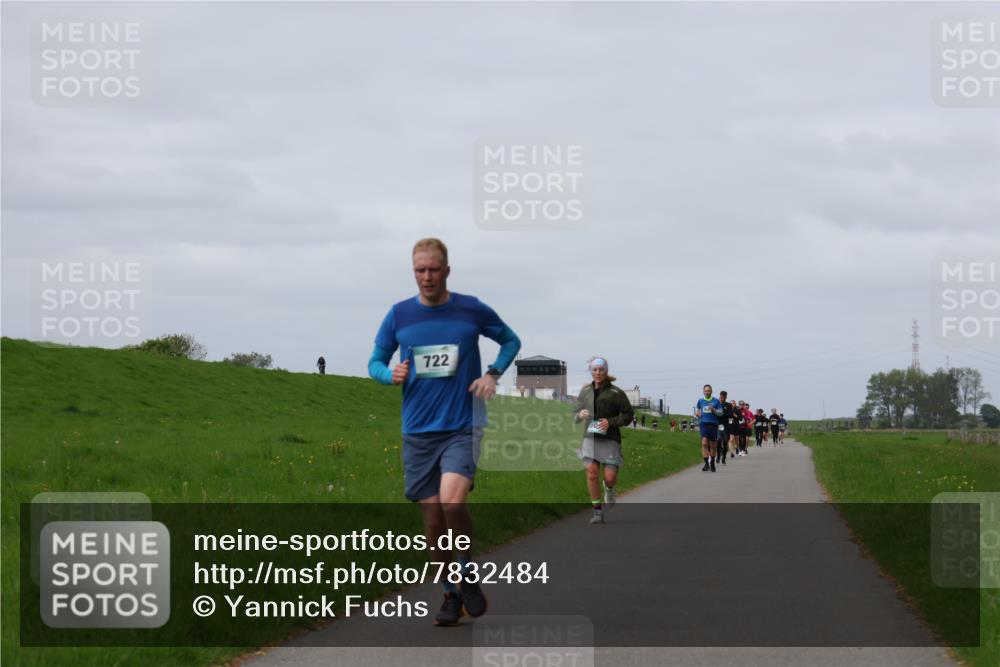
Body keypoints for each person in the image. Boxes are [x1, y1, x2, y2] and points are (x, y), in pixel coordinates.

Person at [368, 238, 521, 626]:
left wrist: (491, 374)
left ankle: (467, 570)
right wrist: (390, 374)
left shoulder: (470, 309)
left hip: (462, 424)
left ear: (447, 270)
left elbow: (510, 340)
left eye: (433, 269)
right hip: (418, 430)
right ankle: (451, 594)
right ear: (413, 272)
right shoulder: (399, 315)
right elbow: (375, 361)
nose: (426, 276)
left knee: (453, 503)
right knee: (434, 522)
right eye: (420, 270)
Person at [574, 357, 634, 524]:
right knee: (592, 474)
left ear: (606, 371)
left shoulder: (616, 393)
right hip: (589, 438)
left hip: (610, 439)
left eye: (601, 370)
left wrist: (610, 422)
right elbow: (574, 413)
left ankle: (609, 488)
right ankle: (597, 511)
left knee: (609, 477)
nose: (598, 373)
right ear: (591, 371)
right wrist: (579, 415)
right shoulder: (585, 391)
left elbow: (628, 415)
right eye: (595, 370)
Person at [695, 384, 721, 472]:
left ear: (711, 391)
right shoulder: (700, 401)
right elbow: (698, 409)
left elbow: (720, 413)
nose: (707, 392)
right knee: (704, 443)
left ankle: (712, 462)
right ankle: (706, 463)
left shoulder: (716, 401)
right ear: (703, 391)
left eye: (708, 391)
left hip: (713, 424)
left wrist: (713, 409)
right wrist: (697, 413)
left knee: (713, 445)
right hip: (703, 423)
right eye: (705, 391)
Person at [716, 390, 730, 464]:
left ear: (726, 397)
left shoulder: (728, 405)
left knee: (725, 443)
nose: (722, 398)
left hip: (725, 426)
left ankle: (724, 458)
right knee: (718, 441)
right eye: (721, 397)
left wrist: (721, 414)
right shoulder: (716, 404)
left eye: (723, 397)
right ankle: (718, 456)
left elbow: (729, 415)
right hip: (718, 425)